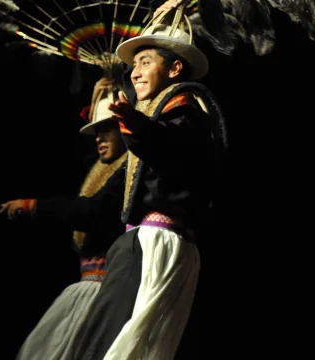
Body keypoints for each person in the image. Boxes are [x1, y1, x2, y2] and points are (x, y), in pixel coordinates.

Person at [73, 2, 228, 359]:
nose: (135, 73)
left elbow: (167, 143)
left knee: (109, 343)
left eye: (145, 63)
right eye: (134, 65)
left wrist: (134, 123)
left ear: (175, 69)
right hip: (156, 243)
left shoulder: (185, 114)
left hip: (154, 244)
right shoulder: (168, 113)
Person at [0, 76, 129, 360]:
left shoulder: (128, 173)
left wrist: (35, 206)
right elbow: (85, 161)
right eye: (97, 131)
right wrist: (95, 100)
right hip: (87, 285)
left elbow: (93, 209)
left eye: (107, 130)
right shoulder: (102, 169)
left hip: (105, 290)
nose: (99, 138)